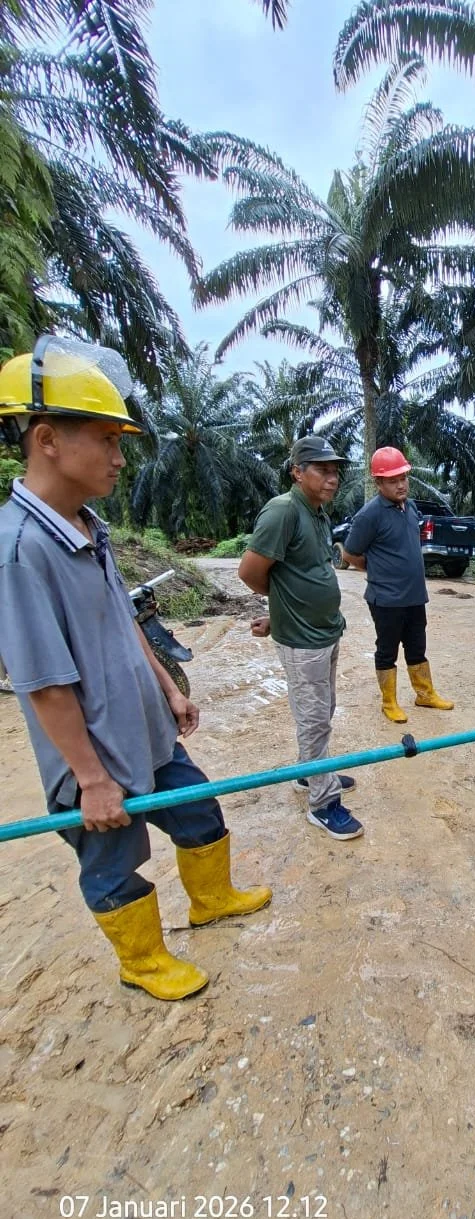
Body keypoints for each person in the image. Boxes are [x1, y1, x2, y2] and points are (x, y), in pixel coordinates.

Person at [0, 338, 271, 1001]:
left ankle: (212, 898)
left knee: (199, 808)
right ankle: (143, 961)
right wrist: (90, 780)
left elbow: (124, 622)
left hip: (146, 731)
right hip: (94, 759)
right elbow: (43, 682)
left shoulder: (86, 527)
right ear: (47, 440)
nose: (120, 458)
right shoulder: (20, 549)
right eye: (106, 439)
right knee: (113, 863)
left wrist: (166, 691)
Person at [238, 435, 364, 841]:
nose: (332, 479)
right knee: (313, 719)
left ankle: (310, 774)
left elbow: (302, 574)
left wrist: (278, 615)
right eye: (322, 470)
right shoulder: (283, 511)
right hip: (304, 640)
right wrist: (282, 615)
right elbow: (251, 573)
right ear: (297, 471)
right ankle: (323, 803)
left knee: (322, 710)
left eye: (335, 471)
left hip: (325, 631)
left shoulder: (317, 512)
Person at [342, 446, 454, 723]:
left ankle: (424, 694)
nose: (401, 484)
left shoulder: (411, 506)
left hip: (415, 595)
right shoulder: (369, 515)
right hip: (386, 598)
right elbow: (350, 553)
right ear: (378, 482)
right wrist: (376, 569)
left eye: (403, 477)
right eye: (392, 480)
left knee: (417, 646)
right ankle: (389, 701)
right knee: (388, 649)